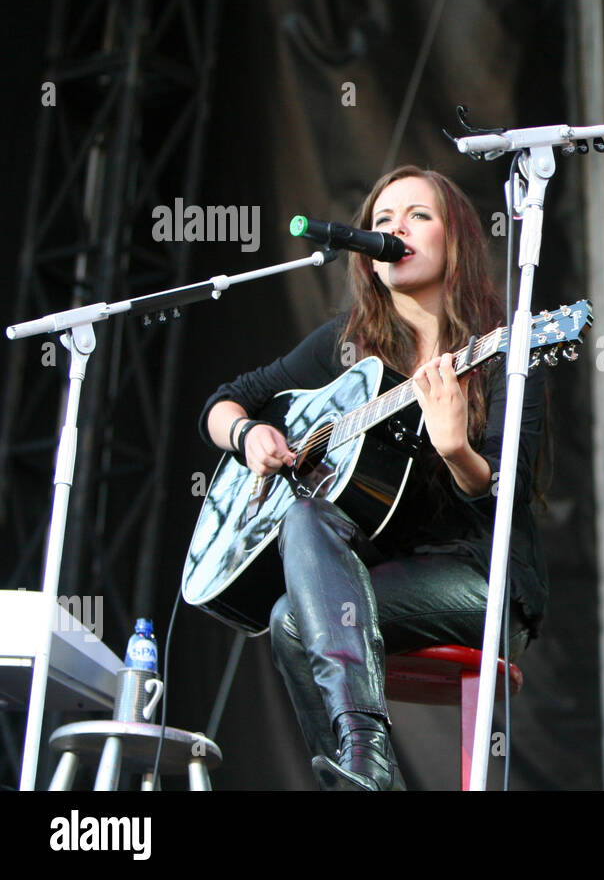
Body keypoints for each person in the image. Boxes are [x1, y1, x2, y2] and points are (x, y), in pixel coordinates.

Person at [199, 165, 546, 790]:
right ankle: (365, 770)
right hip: (377, 573)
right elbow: (227, 402)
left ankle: (364, 769)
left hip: (483, 581)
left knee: (294, 620)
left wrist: (457, 451)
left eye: (417, 216)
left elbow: (507, 490)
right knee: (291, 584)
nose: (395, 230)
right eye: (382, 222)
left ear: (456, 238)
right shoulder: (349, 345)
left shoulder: (504, 350)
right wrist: (249, 436)